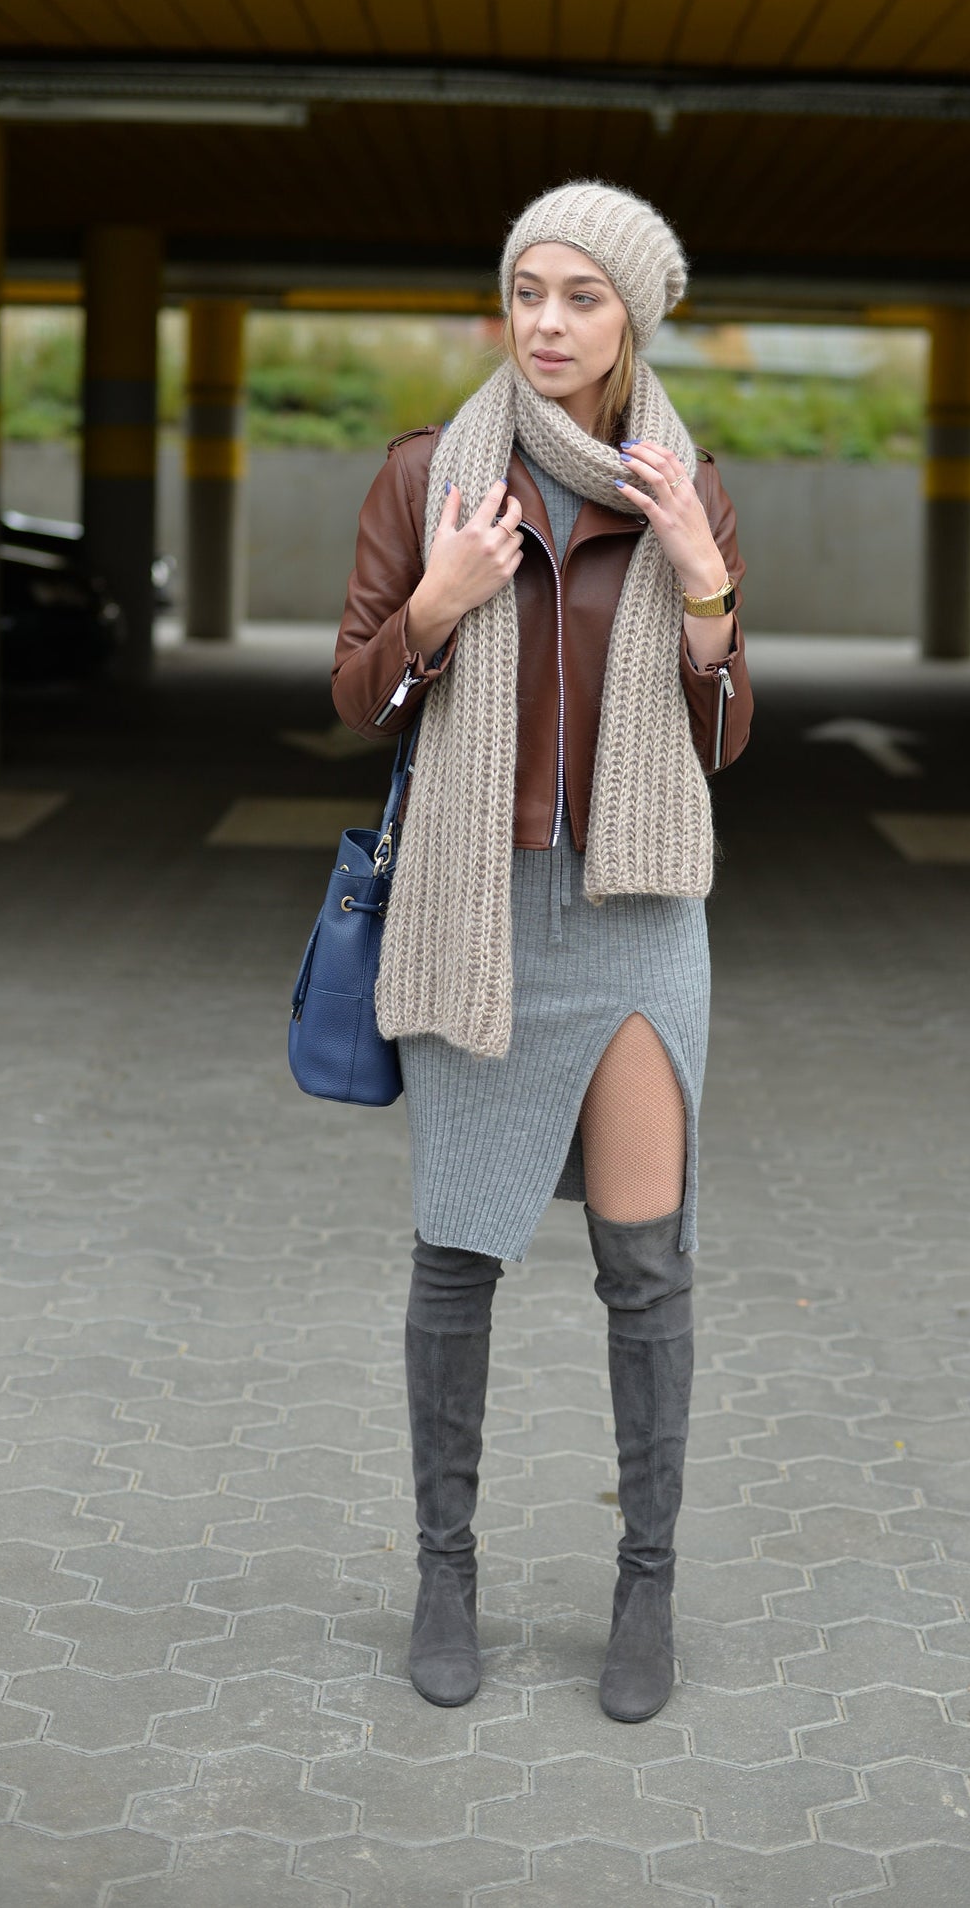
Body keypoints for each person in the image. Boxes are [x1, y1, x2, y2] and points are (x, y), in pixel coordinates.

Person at [332, 181, 753, 1723]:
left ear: (633, 312)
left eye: (582, 295)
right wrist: (437, 604)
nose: (549, 323)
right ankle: (445, 1574)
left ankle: (645, 1587)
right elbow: (355, 694)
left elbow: (722, 731)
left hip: (638, 915)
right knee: (457, 1256)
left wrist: (702, 581)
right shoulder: (422, 479)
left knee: (644, 1268)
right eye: (526, 292)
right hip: (476, 904)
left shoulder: (682, 482)